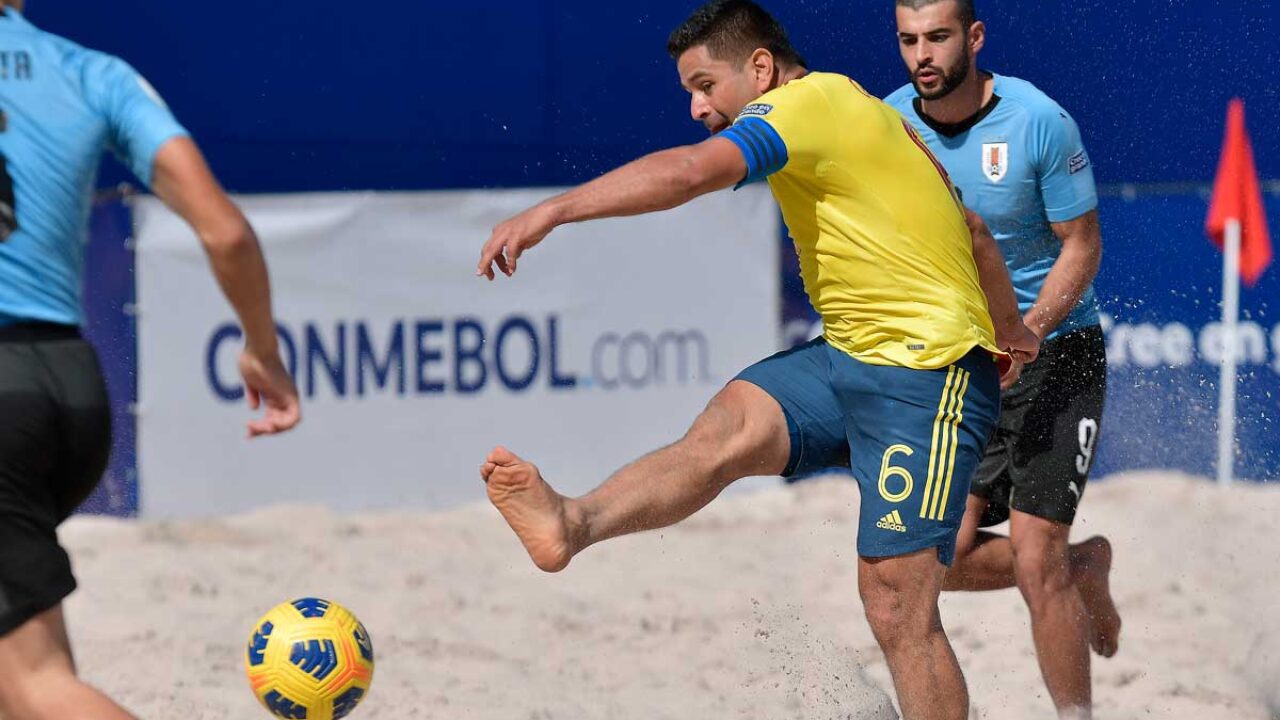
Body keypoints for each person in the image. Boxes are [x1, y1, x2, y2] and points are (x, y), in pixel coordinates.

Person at [475, 1, 1040, 717]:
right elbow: (974, 228)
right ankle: (571, 523)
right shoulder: (866, 116)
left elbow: (687, 174)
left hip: (926, 375)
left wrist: (552, 210)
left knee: (896, 606)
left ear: (762, 69)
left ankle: (1063, 571)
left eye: (705, 85)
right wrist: (1011, 329)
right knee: (723, 435)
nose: (696, 106)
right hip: (849, 356)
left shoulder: (809, 103)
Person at [0, 3, 300, 718]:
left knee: (36, 684)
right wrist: (261, 347)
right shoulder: (90, 72)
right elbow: (226, 232)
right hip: (69, 392)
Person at [885, 1, 1121, 718]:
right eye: (908, 40)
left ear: (974, 38)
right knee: (933, 560)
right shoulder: (891, 121)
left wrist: (1032, 329)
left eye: (938, 37)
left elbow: (1082, 244)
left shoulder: (1038, 120)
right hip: (965, 362)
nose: (922, 54)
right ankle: (1087, 567)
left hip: (1058, 350)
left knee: (1034, 552)